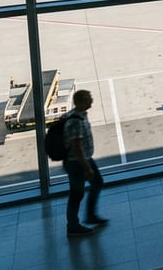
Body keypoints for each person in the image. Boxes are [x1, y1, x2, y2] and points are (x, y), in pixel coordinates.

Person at [63, 89, 106, 237]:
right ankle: (73, 226)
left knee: (97, 182)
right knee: (77, 194)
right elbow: (77, 147)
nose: (91, 101)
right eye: (88, 99)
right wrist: (87, 168)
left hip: (84, 159)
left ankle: (90, 215)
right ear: (81, 102)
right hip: (78, 163)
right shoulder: (75, 121)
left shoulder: (79, 116)